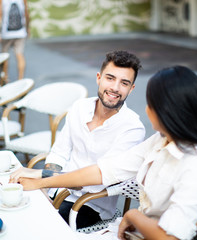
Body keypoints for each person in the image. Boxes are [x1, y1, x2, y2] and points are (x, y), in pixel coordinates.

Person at [10, 65, 197, 240]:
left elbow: (169, 238)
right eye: (110, 78)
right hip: (133, 229)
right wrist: (41, 182)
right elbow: (104, 171)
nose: (146, 109)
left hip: (128, 224)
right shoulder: (161, 140)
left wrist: (133, 215)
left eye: (150, 103)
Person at [11, 50, 145, 229]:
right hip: (55, 189)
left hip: (89, 204)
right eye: (110, 78)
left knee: (37, 228)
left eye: (124, 83)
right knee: (13, 211)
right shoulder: (80, 107)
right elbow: (59, 152)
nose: (115, 88)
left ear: (131, 88)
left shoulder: (133, 128)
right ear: (99, 78)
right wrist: (46, 189)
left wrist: (42, 177)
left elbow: (96, 181)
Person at [0, 0, 29, 82]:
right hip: (20, 32)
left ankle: (5, 78)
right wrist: (27, 27)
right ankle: (21, 79)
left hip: (7, 33)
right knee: (19, 55)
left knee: (5, 56)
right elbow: (26, 13)